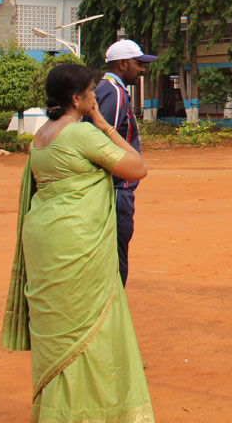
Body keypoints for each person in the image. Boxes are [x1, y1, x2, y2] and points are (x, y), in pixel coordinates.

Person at [2, 63, 154, 422]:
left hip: (43, 240)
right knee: (90, 328)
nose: (94, 96)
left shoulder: (42, 135)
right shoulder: (82, 134)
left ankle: (56, 411)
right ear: (77, 98)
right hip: (78, 242)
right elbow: (137, 167)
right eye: (90, 90)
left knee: (58, 328)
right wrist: (103, 125)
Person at [91, 39, 156, 286]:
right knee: (116, 256)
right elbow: (103, 139)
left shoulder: (105, 90)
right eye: (138, 64)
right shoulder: (115, 93)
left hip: (112, 187)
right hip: (117, 188)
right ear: (122, 64)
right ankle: (113, 312)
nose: (141, 69)